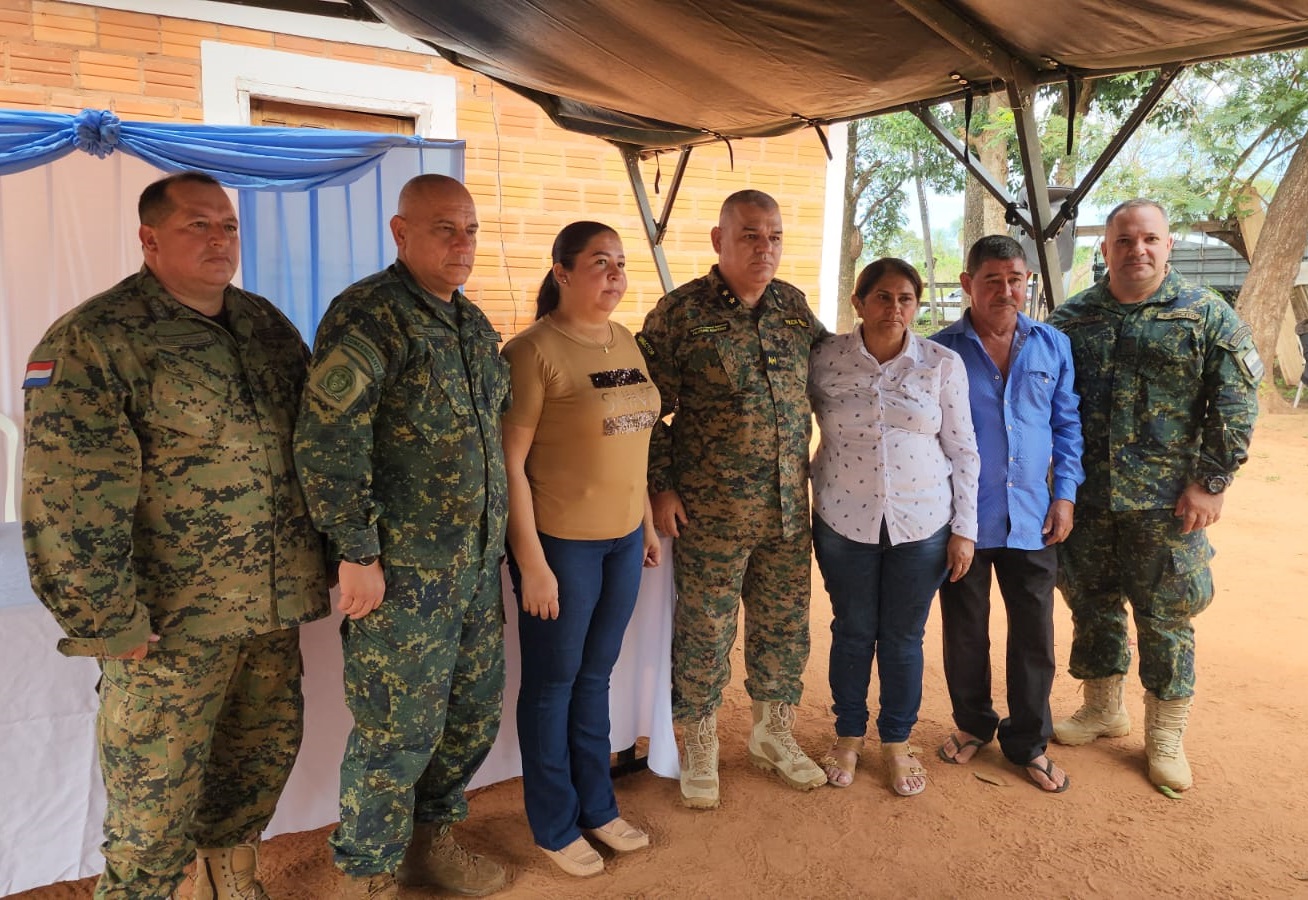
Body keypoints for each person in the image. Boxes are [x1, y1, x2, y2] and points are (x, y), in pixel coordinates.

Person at [21, 171, 330, 900]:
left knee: (254, 770)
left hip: (268, 612)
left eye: (227, 225)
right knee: (152, 812)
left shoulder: (264, 326)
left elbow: (315, 448)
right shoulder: (96, 339)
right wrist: (106, 618)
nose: (220, 239)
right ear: (149, 238)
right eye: (199, 225)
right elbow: (67, 496)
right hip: (168, 627)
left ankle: (229, 883)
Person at [293, 174, 509, 899]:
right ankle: (369, 874)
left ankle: (430, 842)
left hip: (474, 571)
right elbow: (328, 439)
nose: (461, 243)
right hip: (403, 573)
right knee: (396, 731)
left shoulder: (473, 326)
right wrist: (356, 549)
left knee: (472, 715)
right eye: (445, 228)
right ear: (400, 232)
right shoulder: (371, 316)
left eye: (471, 229)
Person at [1047, 199, 1260, 791]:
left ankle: (1164, 734)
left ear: (1167, 245)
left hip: (1169, 505)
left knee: (1165, 618)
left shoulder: (1205, 314)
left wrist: (1210, 482)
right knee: (1091, 605)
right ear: (1106, 248)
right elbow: (1047, 406)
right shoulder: (1072, 320)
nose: (1136, 250)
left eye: (1149, 239)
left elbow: (1237, 403)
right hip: (1088, 501)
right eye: (1123, 240)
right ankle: (1102, 707)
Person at [637, 189, 829, 809]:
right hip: (709, 513)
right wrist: (661, 483)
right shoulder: (680, 314)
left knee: (783, 627)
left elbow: (836, 377)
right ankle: (697, 742)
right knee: (704, 632)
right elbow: (644, 411)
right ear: (719, 240)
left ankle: (772, 734)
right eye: (749, 235)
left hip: (786, 512)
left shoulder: (793, 309)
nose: (764, 248)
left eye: (773, 236)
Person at [501, 221, 662, 877]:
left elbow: (635, 441)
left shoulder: (624, 339)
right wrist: (532, 562)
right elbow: (511, 465)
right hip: (561, 547)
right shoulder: (531, 351)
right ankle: (554, 822)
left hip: (623, 541)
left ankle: (598, 806)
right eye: (600, 262)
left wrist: (646, 524)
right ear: (562, 272)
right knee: (552, 686)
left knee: (595, 679)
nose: (615, 275)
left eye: (621, 263)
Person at [808, 257, 979, 797]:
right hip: (843, 517)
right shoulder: (824, 359)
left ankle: (897, 741)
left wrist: (965, 528)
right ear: (858, 303)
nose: (895, 308)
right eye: (882, 296)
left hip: (923, 521)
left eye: (906, 298)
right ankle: (848, 735)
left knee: (904, 636)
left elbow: (963, 449)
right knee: (853, 631)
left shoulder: (941, 364)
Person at [930, 236, 1084, 793]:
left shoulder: (1053, 346)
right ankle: (973, 724)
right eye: (991, 279)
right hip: (963, 521)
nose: (1005, 290)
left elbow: (1067, 427)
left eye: (1015, 279)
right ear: (967, 283)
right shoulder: (938, 351)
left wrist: (1064, 494)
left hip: (1034, 518)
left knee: (1034, 634)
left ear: (1028, 283)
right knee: (965, 629)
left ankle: (1028, 742)